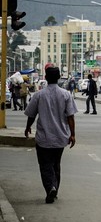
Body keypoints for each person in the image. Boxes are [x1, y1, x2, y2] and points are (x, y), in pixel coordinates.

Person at [24, 66, 77, 204]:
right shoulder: (66, 95)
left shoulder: (39, 95)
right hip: (61, 138)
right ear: (59, 77)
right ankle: (55, 189)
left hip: (44, 138)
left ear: (46, 78)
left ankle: (50, 188)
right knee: (56, 164)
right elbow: (70, 117)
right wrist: (72, 135)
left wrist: (28, 127)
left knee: (45, 165)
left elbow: (31, 114)